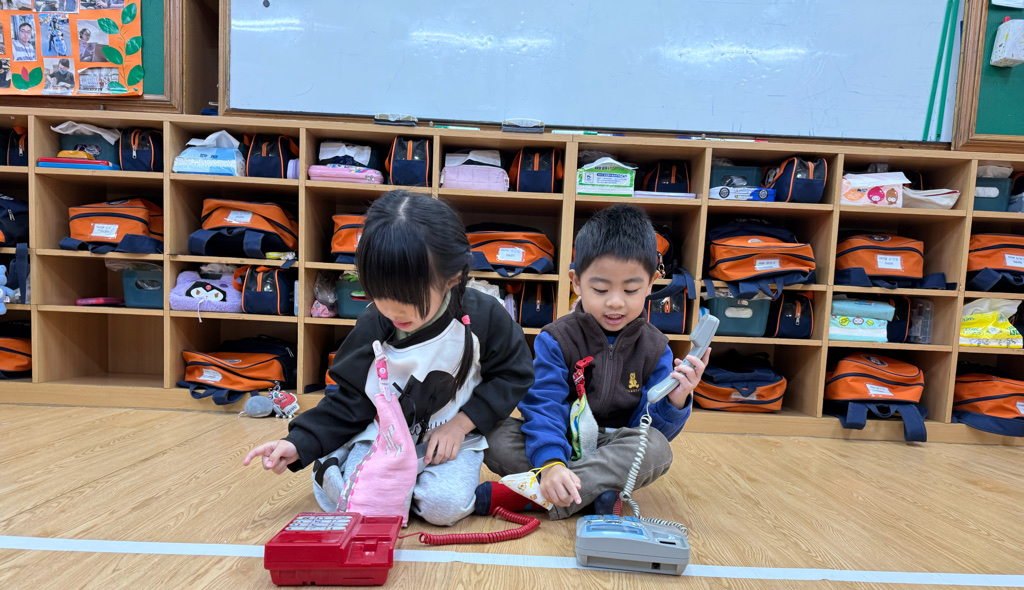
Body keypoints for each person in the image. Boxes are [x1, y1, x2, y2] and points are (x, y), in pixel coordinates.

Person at [244, 190, 535, 527]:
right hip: (381, 435)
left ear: (452, 278)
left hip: (451, 438)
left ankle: (386, 487)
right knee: (364, 508)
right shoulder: (374, 322)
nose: (394, 310)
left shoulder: (484, 317)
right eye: (380, 293)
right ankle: (336, 457)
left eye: (409, 298)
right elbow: (349, 400)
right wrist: (298, 442)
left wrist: (460, 424)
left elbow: (514, 375)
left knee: (445, 508)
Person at [481, 204, 709, 519]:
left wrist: (676, 399)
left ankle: (540, 496)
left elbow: (647, 431)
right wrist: (552, 463)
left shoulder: (656, 348)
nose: (615, 302)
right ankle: (596, 491)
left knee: (657, 448)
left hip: (614, 446)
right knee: (493, 435)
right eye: (600, 289)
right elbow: (544, 405)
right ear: (576, 282)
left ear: (651, 283)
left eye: (631, 289)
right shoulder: (555, 338)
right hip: (562, 441)